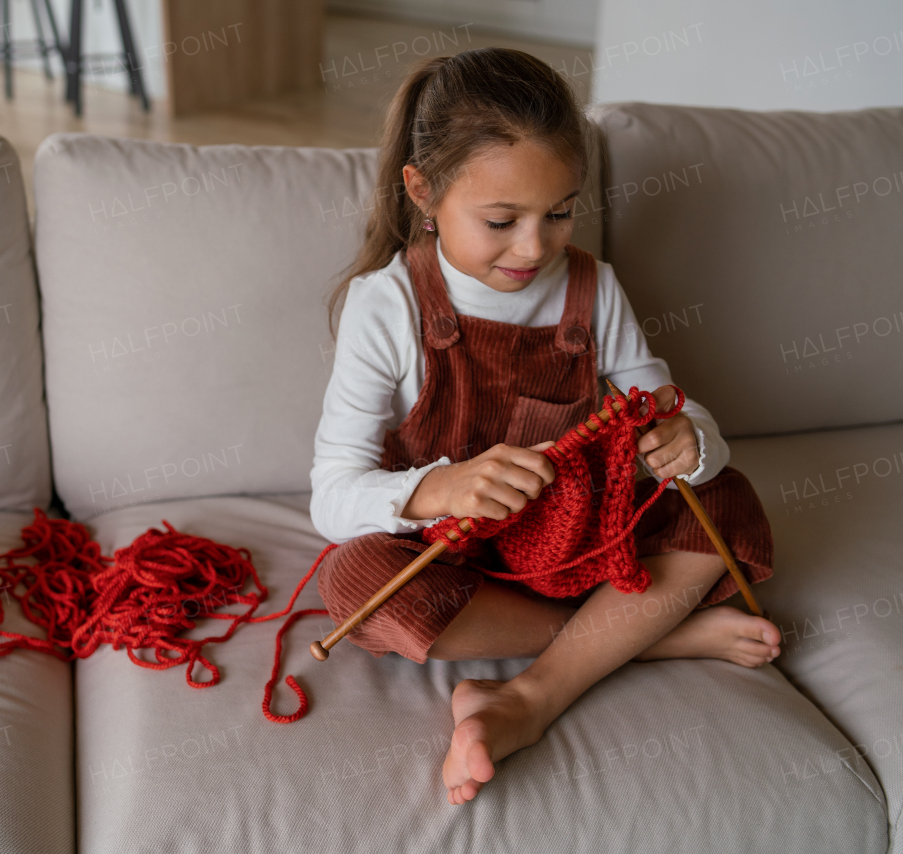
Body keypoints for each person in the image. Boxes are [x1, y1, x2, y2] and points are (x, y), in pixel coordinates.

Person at [309, 48, 778, 806]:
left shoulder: (593, 287)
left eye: (560, 212)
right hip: (450, 557)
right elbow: (331, 497)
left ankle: (529, 696)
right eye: (501, 220)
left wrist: (692, 441)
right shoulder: (386, 305)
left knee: (726, 503)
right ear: (423, 191)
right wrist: (441, 490)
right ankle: (645, 633)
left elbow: (665, 405)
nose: (535, 247)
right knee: (357, 585)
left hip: (574, 540)